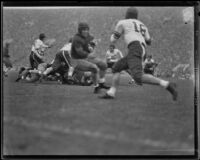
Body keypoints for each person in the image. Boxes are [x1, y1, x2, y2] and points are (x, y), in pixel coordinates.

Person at [100, 7, 178, 101]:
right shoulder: (143, 25)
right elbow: (149, 41)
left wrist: (114, 32)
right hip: (141, 48)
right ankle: (111, 93)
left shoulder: (123, 22)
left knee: (138, 77)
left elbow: (113, 40)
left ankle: (166, 84)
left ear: (127, 14)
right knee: (116, 67)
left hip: (135, 48)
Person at [71, 22, 110, 93]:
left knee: (103, 65)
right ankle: (96, 87)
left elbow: (89, 46)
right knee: (94, 68)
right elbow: (79, 52)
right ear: (80, 30)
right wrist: (89, 53)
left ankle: (101, 83)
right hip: (76, 60)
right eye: (84, 30)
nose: (86, 31)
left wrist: (92, 45)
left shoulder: (89, 36)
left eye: (87, 29)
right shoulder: (76, 38)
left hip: (86, 58)